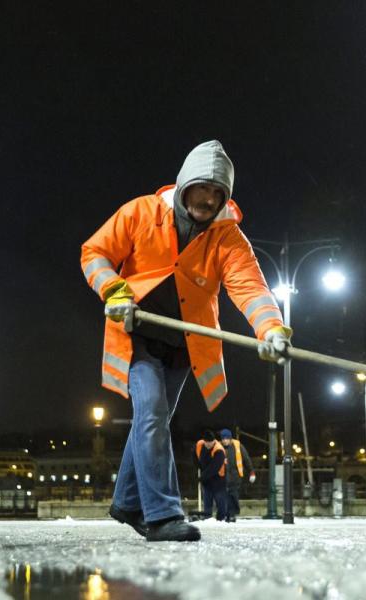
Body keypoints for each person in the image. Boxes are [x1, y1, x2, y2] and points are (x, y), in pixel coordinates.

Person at [81, 140, 292, 542]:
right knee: (153, 414)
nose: (209, 199)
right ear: (183, 185)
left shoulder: (229, 239)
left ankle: (126, 503)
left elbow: (250, 288)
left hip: (183, 346)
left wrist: (271, 329)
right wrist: (113, 289)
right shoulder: (140, 212)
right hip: (137, 335)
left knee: (152, 418)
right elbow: (95, 253)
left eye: (218, 193)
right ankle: (161, 515)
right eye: (202, 188)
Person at [218, 428, 256, 522]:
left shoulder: (238, 446)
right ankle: (226, 514)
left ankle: (232, 514)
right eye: (223, 439)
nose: (225, 441)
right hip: (222, 477)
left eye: (226, 439)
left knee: (233, 495)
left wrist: (251, 472)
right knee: (224, 496)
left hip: (235, 476)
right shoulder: (218, 447)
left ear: (230, 439)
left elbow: (246, 459)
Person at [193, 430, 227, 521]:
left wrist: (202, 477)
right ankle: (207, 517)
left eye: (210, 442)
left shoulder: (219, 450)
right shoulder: (200, 444)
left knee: (219, 499)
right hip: (206, 476)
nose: (208, 444)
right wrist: (199, 466)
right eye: (206, 442)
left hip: (218, 477)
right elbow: (195, 457)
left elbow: (214, 467)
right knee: (207, 498)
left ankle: (221, 518)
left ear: (214, 441)